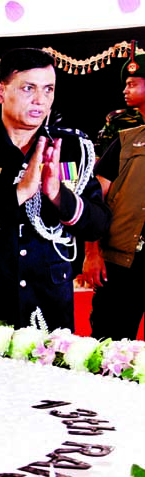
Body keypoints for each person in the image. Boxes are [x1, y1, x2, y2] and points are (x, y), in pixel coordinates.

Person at [0, 48, 111, 331]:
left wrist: (57, 195)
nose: (40, 100)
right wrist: (20, 191)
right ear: (0, 92)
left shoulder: (73, 149)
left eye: (48, 89)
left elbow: (97, 225)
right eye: (28, 88)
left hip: (46, 304)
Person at [83, 46, 145, 341]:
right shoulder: (125, 140)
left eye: (132, 83)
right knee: (109, 347)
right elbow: (95, 199)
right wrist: (92, 253)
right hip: (121, 265)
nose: (125, 89)